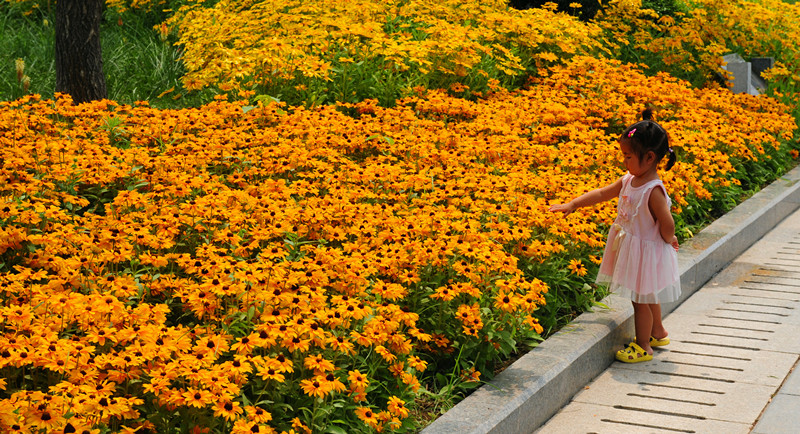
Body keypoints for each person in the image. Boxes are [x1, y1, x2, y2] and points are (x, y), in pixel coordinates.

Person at [549, 108, 680, 363]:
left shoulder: (653, 190)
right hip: (636, 248)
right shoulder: (630, 179)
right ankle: (658, 332)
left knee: (640, 300)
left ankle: (643, 346)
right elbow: (601, 193)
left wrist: (669, 239)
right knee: (648, 294)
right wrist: (574, 204)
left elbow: (667, 222)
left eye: (628, 156)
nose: (624, 162)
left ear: (650, 157)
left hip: (647, 252)